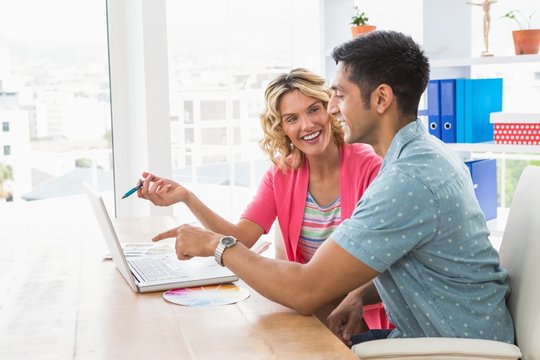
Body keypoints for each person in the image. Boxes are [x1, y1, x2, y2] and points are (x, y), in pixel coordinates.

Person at [156, 30, 515, 346]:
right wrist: (362, 294)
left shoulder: (405, 180)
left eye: (339, 96)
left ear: (381, 99)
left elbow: (304, 290)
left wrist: (216, 245)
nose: (331, 109)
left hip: (453, 348)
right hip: (440, 333)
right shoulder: (423, 153)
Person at [136, 68, 383, 334]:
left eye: (314, 110)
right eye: (292, 118)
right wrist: (187, 197)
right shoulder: (281, 174)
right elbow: (239, 239)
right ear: (282, 128)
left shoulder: (371, 167)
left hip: (360, 317)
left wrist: (357, 296)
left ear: (330, 109)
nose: (307, 126)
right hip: (309, 311)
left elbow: (387, 258)